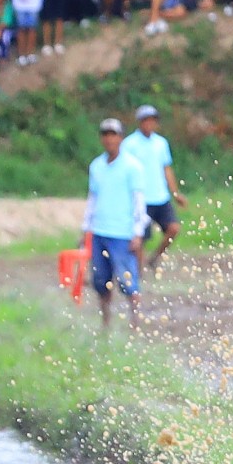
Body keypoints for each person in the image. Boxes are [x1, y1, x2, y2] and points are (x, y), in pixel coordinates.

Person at [83, 118, 147, 332]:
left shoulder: (132, 167)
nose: (110, 139)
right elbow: (93, 198)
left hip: (122, 232)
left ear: (121, 138)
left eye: (114, 134)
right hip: (100, 230)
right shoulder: (97, 166)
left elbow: (138, 201)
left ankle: (135, 322)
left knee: (127, 280)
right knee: (101, 280)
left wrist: (138, 232)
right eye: (106, 134)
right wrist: (86, 228)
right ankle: (106, 321)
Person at [124, 105, 184, 271]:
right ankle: (138, 273)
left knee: (173, 228)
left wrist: (175, 193)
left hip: (160, 196)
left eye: (152, 121)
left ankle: (155, 258)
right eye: (146, 121)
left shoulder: (161, 143)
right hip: (142, 197)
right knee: (141, 237)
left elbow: (166, 168)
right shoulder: (130, 144)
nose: (149, 124)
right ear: (140, 122)